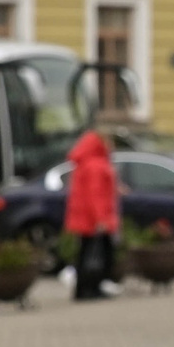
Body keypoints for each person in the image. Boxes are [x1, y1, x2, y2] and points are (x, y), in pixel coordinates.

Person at [63, 128, 120, 301]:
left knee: (85, 253)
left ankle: (84, 289)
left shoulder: (85, 163)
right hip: (93, 219)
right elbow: (96, 195)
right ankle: (91, 287)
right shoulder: (96, 165)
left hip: (84, 217)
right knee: (98, 254)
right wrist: (101, 219)